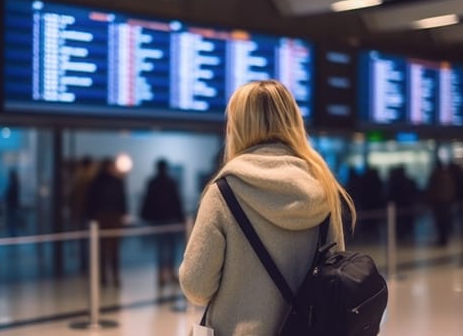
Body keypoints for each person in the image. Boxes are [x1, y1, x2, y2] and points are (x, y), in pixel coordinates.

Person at [179, 80, 356, 335]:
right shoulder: (323, 188)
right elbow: (334, 278)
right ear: (293, 121)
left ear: (237, 126)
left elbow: (196, 286)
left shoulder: (224, 192)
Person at [140, 158, 184, 287]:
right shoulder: (170, 182)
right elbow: (176, 200)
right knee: (169, 247)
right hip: (168, 218)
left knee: (162, 248)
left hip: (160, 219)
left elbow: (148, 200)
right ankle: (168, 273)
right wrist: (179, 217)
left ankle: (162, 275)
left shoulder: (153, 182)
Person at [86, 156, 128, 287]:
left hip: (105, 218)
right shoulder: (114, 181)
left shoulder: (97, 182)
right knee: (109, 250)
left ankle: (107, 276)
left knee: (105, 250)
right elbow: (121, 201)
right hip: (108, 218)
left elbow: (91, 202)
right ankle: (110, 276)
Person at [426, 158, 456, 246]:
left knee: (440, 222)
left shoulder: (436, 176)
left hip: (439, 203)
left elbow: (432, 189)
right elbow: (451, 189)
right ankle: (443, 238)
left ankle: (442, 239)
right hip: (445, 202)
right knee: (444, 222)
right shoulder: (447, 175)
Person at [5, 169, 20, 236]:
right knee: (12, 220)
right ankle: (12, 233)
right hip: (12, 205)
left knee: (12, 220)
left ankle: (12, 234)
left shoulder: (14, 184)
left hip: (12, 205)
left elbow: (10, 195)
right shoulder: (14, 184)